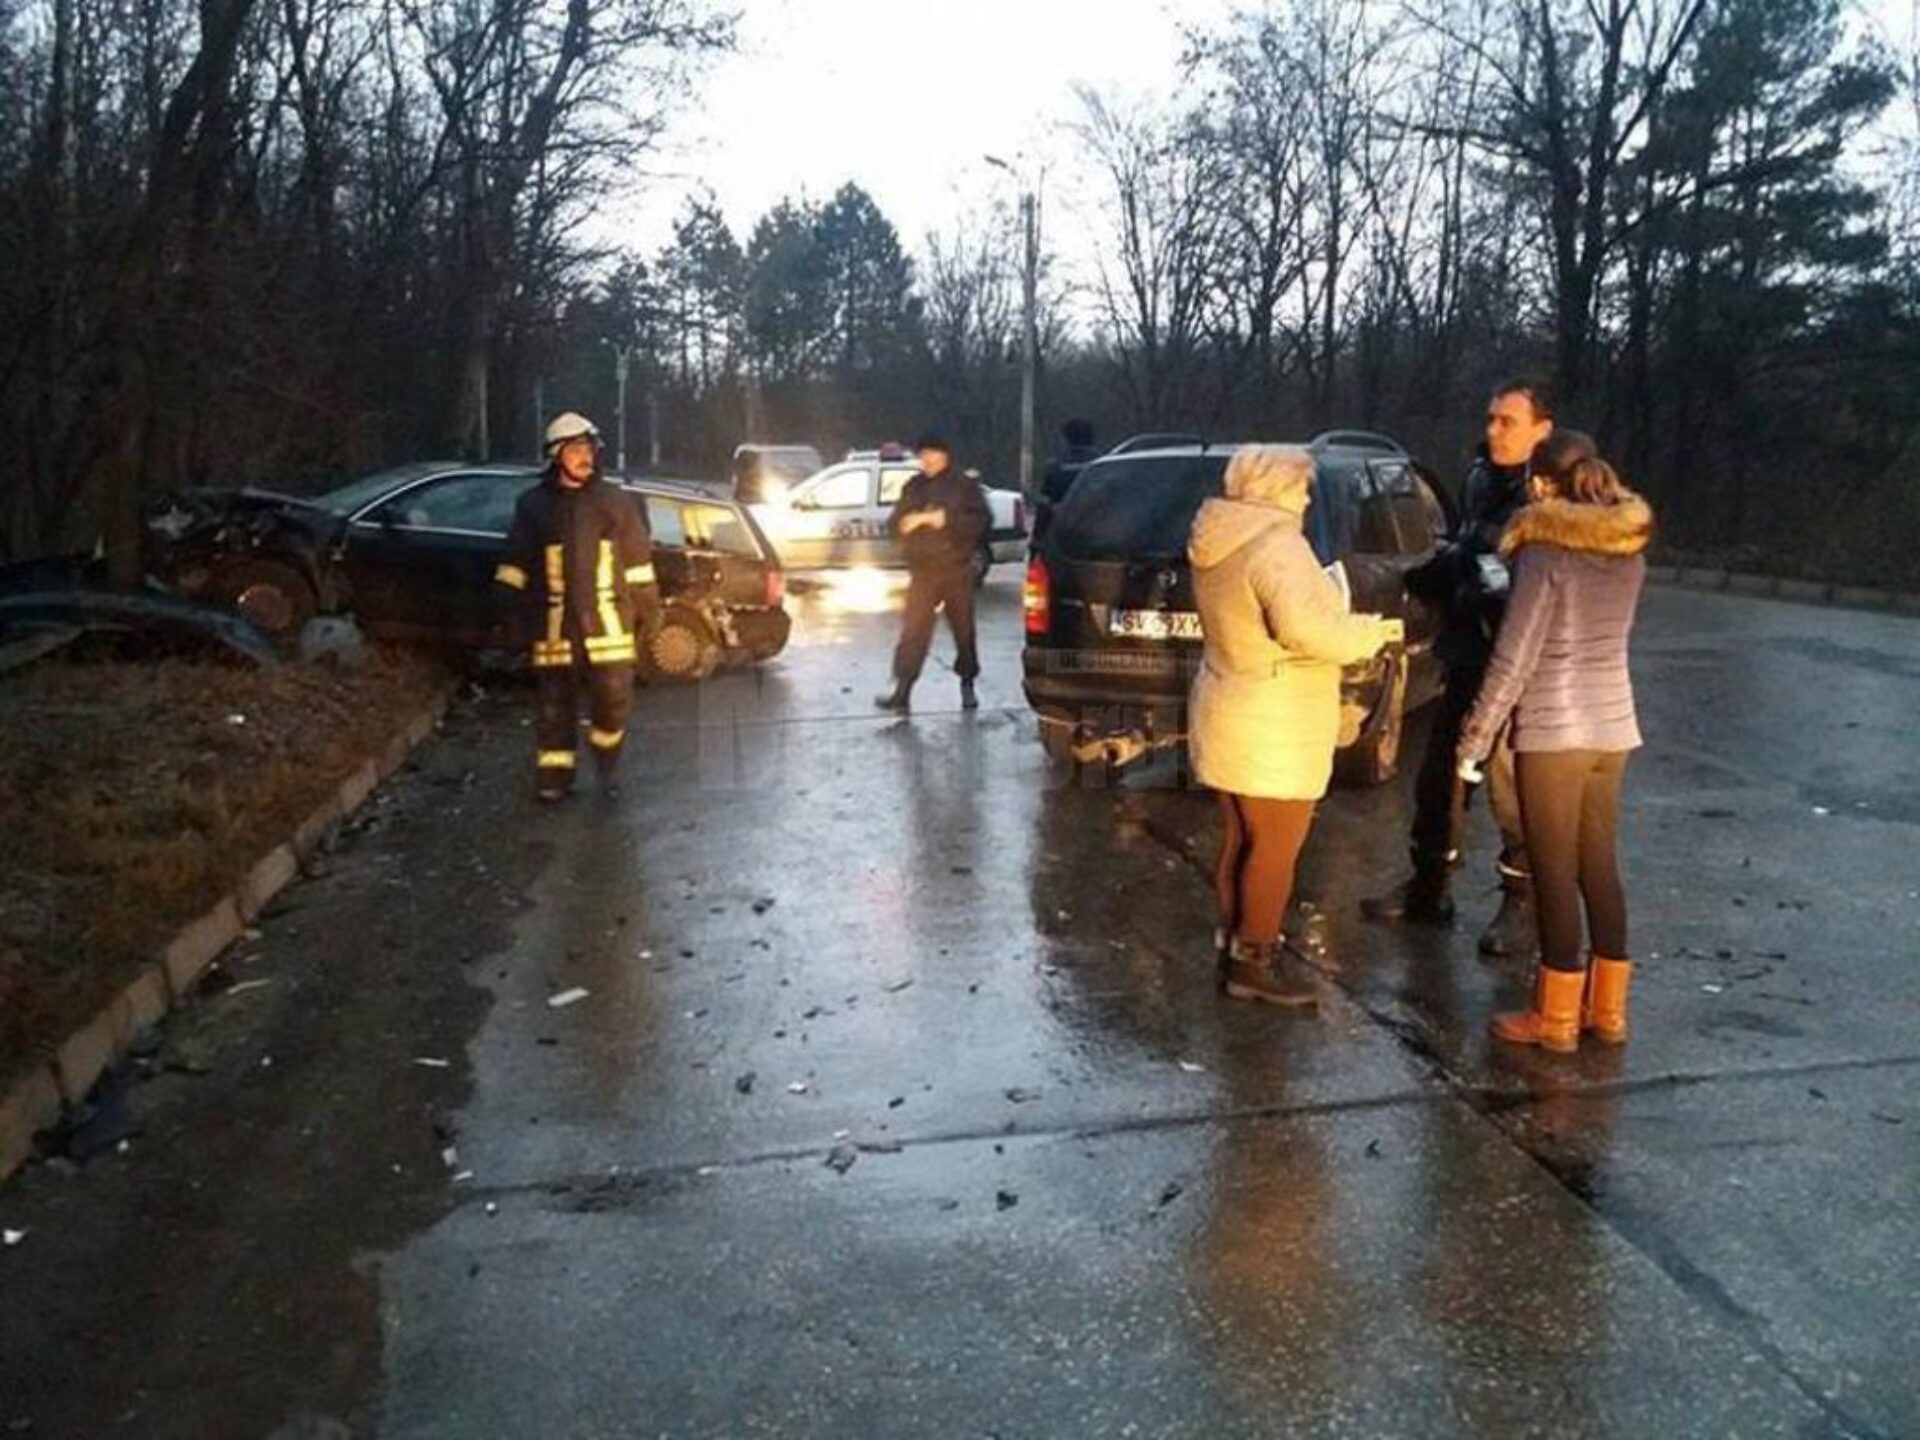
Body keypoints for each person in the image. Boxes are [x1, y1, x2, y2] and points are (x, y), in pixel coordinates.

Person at [1457, 430, 1654, 1050]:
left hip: (1554, 728)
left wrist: (1475, 738)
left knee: (1552, 870)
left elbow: (1514, 659)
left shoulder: (1543, 555)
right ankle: (1608, 1012)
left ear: (1542, 483)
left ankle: (1556, 1017)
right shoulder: (1630, 551)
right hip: (1613, 727)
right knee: (1598, 864)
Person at [1188, 446, 1401, 1006]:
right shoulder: (1277, 545)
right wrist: (1371, 633)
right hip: (1275, 722)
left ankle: (1232, 945)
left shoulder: (1218, 537)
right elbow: (1309, 632)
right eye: (1301, 487)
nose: (1306, 498)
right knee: (1275, 848)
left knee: (1240, 839)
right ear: (1276, 488)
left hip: (1228, 703)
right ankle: (1255, 962)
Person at [1363, 378, 1556, 957]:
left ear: (1542, 429)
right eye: (1491, 418)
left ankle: (1520, 906)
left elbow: (1540, 589)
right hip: (1469, 652)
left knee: (1512, 794)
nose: (1494, 430)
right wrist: (1442, 573)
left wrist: (1484, 582)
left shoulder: (1550, 495)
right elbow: (1472, 550)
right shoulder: (1481, 478)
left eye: (1508, 421)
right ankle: (1428, 886)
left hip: (1520, 671)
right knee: (1439, 781)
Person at [495, 411, 662, 801]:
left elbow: (638, 564)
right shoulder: (533, 506)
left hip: (609, 625)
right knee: (554, 709)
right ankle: (554, 781)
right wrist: (508, 613)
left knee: (613, 702)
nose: (585, 457)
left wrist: (651, 613)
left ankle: (607, 765)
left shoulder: (616, 503)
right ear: (556, 455)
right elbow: (515, 564)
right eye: (575, 450)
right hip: (555, 627)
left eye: (589, 449)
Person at [874, 434, 991, 714]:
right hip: (923, 571)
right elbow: (894, 523)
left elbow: (982, 521)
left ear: (944, 456)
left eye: (932, 454)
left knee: (963, 630)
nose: (926, 460)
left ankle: (967, 683)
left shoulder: (964, 486)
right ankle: (903, 690)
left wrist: (946, 520)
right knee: (913, 632)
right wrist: (903, 524)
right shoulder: (913, 486)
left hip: (955, 569)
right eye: (923, 455)